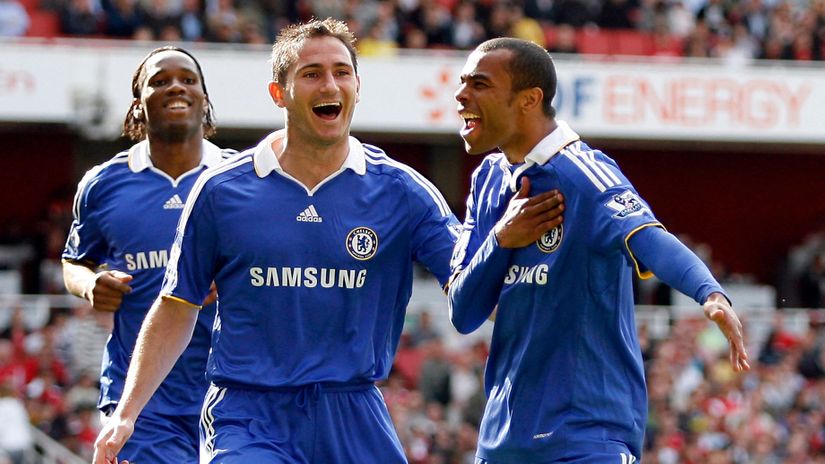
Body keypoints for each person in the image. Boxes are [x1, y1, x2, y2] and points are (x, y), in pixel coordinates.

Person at [93, 18, 462, 464]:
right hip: (249, 415)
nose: (330, 84)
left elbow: (469, 283)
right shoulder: (221, 191)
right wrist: (127, 413)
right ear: (278, 93)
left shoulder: (402, 191)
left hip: (354, 410)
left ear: (358, 87)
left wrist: (513, 244)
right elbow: (176, 304)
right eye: (311, 74)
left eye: (341, 72)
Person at [448, 37, 750, 463]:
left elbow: (648, 237)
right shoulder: (487, 181)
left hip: (586, 435)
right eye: (462, 82)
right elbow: (462, 312)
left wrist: (710, 293)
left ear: (529, 99)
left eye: (479, 84)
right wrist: (501, 241)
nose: (461, 95)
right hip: (502, 440)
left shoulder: (584, 174)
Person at [62, 46, 232, 463]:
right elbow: (74, 261)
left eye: (188, 79)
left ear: (204, 100)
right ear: (138, 105)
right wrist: (90, 285)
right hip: (140, 398)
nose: (176, 86)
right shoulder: (104, 184)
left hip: (233, 390)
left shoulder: (238, 179)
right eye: (159, 80)